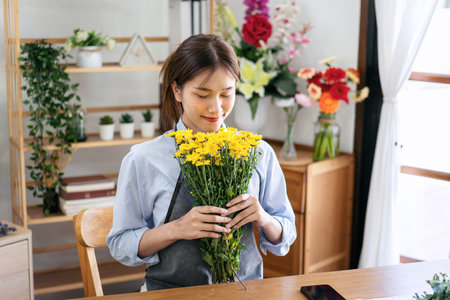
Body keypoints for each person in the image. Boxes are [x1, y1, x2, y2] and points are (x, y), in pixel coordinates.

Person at [106, 34, 296, 291]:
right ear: (177, 91)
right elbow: (121, 244)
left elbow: (285, 235)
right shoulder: (143, 159)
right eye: (202, 94)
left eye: (226, 94)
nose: (216, 108)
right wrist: (177, 229)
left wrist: (263, 218)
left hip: (245, 293)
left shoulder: (258, 152)